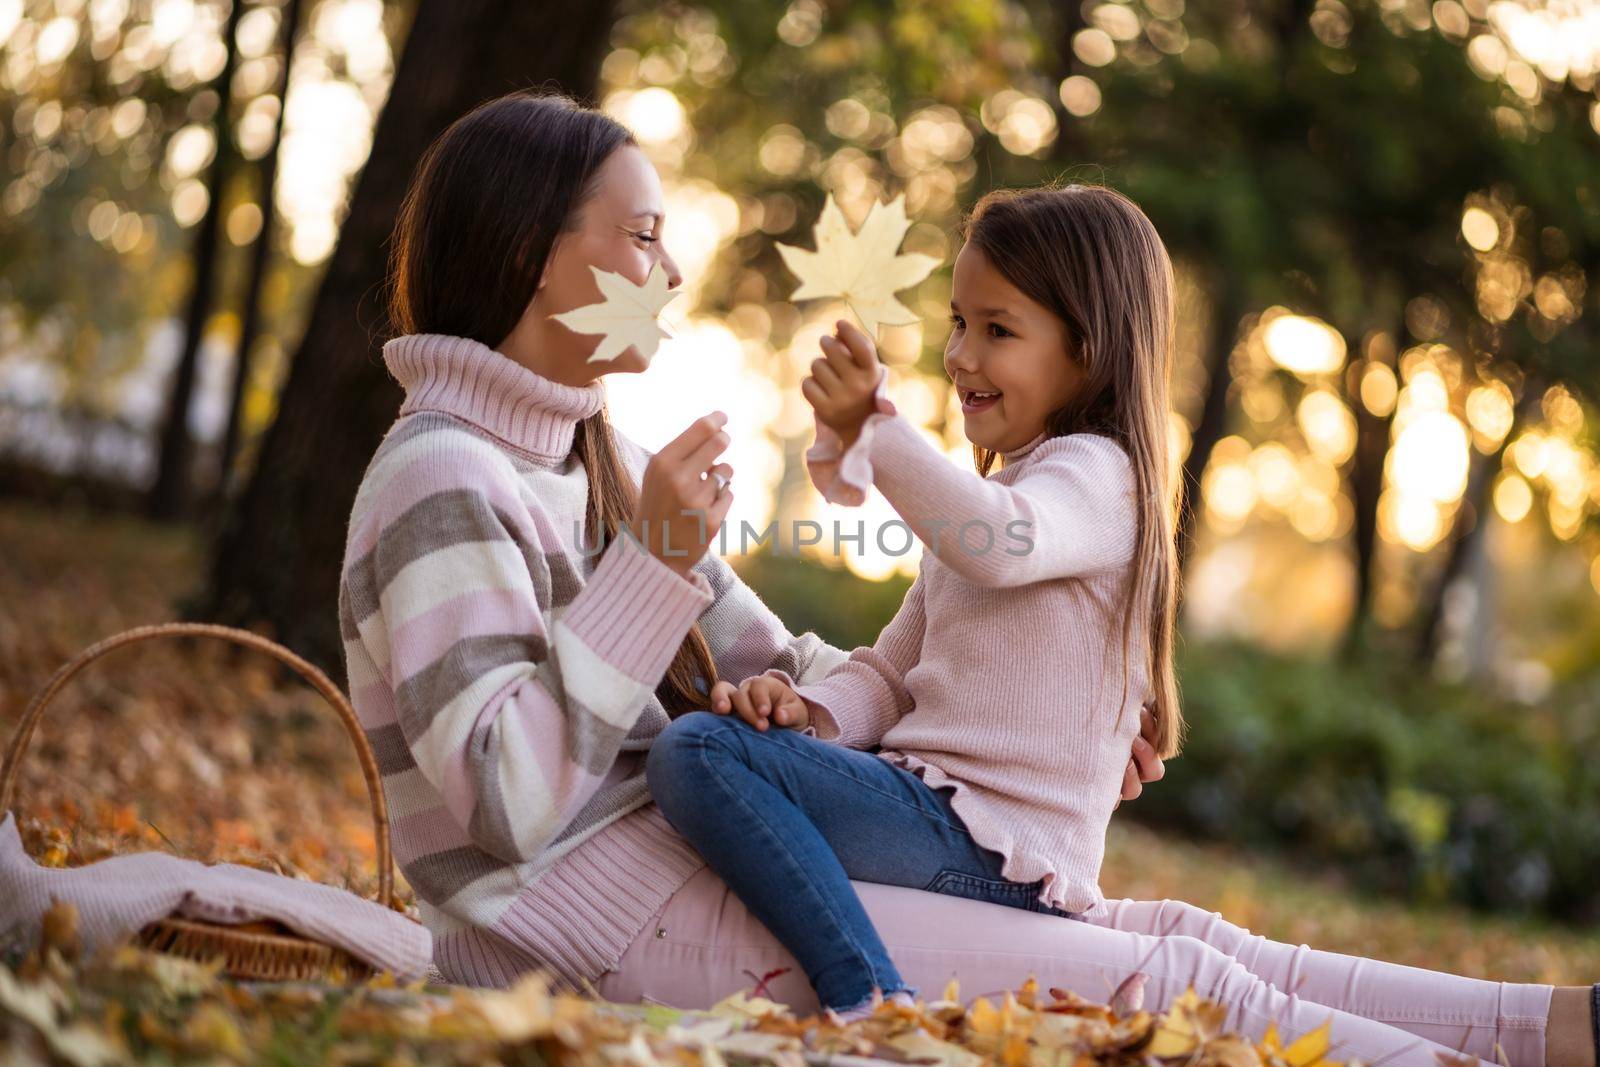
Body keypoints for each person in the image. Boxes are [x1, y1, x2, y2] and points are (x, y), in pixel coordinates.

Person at [336, 90, 1595, 1067]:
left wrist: (1032, 705)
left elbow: (786, 661)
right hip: (597, 923)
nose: (671, 273)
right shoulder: (442, 477)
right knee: (1156, 993)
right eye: (645, 235)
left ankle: (1553, 1024)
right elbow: (503, 798)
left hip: (697, 864)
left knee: (1174, 939)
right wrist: (656, 568)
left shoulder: (587, 456)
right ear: (531, 254)